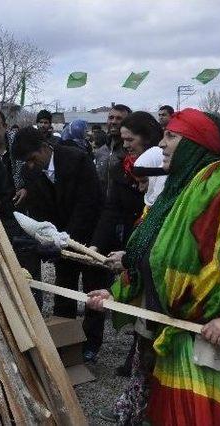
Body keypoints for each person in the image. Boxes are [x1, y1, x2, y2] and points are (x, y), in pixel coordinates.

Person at [89, 108, 220, 425]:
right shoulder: (178, 190)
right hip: (176, 339)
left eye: (172, 136)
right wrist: (117, 293)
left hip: (210, 349)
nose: (163, 144)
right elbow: (151, 254)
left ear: (196, 145)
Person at [12, 126, 104, 348]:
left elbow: (88, 204)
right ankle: (65, 343)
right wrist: (47, 239)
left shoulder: (77, 159)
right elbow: (39, 210)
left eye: (33, 159)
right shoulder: (29, 172)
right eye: (26, 162)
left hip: (91, 238)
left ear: (44, 148)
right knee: (64, 291)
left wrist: (69, 238)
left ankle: (91, 344)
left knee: (94, 293)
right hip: (61, 243)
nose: (31, 165)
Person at [89, 111, 162, 363]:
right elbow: (112, 208)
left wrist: (131, 258)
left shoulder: (167, 193)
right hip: (135, 244)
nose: (126, 145)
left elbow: (160, 251)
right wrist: (98, 244)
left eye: (130, 139)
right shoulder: (124, 166)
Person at [0, 109, 44, 306]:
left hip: (25, 218)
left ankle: (34, 310)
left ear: (5, 126)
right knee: (1, 269)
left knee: (29, 267)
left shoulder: (19, 145)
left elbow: (38, 170)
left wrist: (26, 189)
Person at [95, 104, 132, 198]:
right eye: (111, 118)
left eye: (119, 118)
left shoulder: (133, 150)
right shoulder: (101, 151)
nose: (114, 122)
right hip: (101, 207)